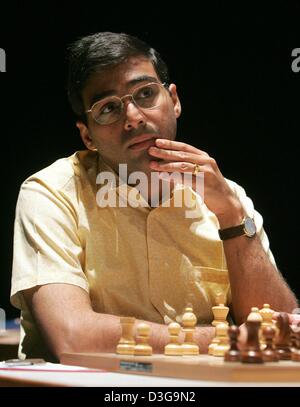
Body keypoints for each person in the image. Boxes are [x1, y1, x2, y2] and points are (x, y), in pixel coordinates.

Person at [11, 32, 297, 362]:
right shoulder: (51, 194)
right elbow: (72, 335)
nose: (133, 117)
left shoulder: (226, 197)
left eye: (146, 93)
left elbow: (284, 330)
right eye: (108, 108)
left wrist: (232, 218)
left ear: (174, 100)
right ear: (87, 135)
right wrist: (229, 337)